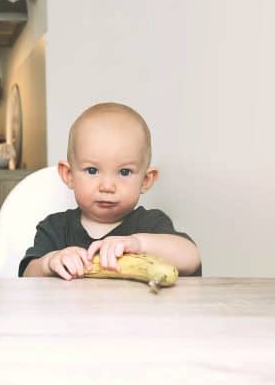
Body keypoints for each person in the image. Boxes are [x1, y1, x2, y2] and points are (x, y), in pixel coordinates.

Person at [20, 102, 201, 279]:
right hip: (71, 310)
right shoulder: (56, 227)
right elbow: (27, 276)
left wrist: (139, 243)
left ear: (146, 180)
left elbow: (191, 258)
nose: (107, 186)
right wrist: (48, 263)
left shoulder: (151, 224)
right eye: (92, 171)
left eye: (124, 172)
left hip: (136, 309)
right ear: (69, 175)